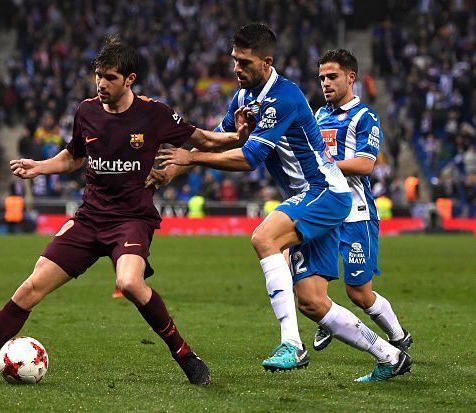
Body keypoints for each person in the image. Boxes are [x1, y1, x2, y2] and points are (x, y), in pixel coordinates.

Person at [0, 37, 247, 386]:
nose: (101, 84)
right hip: (89, 218)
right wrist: (40, 167)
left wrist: (238, 136)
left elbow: (204, 139)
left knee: (128, 283)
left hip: (131, 221)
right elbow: (73, 156)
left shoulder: (154, 113)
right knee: (30, 288)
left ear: (130, 79)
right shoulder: (86, 111)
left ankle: (185, 355)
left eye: (109, 77)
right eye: (98, 76)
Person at [156, 23, 412, 382]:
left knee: (264, 238)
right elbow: (221, 140)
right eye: (233, 60)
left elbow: (249, 158)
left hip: (325, 191)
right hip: (306, 197)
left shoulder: (284, 97)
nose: (236, 69)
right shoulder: (243, 97)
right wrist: (177, 163)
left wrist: (191, 159)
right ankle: (389, 355)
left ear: (266, 62)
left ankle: (292, 344)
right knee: (311, 301)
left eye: (244, 63)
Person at [312, 49, 413, 355]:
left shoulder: (364, 116)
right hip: (326, 212)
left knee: (358, 293)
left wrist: (324, 165)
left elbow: (366, 165)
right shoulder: (320, 115)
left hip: (357, 215)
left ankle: (398, 335)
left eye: (332, 77)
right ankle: (324, 316)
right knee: (307, 276)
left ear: (350, 77)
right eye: (321, 78)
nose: (326, 83)